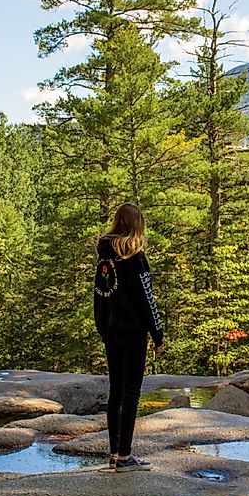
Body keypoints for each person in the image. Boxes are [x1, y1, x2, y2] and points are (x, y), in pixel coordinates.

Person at [93, 202, 164, 472]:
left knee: (116, 392)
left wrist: (102, 327)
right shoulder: (136, 258)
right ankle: (125, 457)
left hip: (112, 331)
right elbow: (147, 299)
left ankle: (114, 454)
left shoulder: (104, 257)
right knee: (131, 393)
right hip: (133, 333)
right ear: (138, 224)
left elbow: (100, 294)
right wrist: (157, 334)